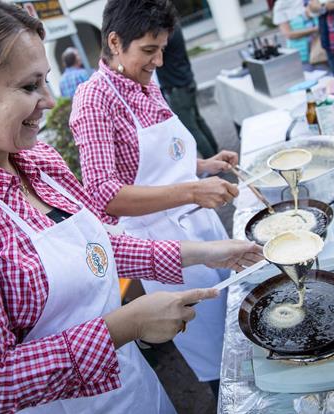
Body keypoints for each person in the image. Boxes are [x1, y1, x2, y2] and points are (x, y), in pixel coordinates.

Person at [0, 1, 263, 413]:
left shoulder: (39, 160)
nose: (47, 99)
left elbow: (98, 247)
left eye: (46, 81)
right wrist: (126, 325)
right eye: (29, 87)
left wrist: (206, 252)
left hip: (130, 388)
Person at [70, 0, 248, 397]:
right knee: (220, 353)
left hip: (200, 223)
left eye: (162, 48)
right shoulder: (94, 99)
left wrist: (203, 166)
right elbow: (104, 192)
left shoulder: (146, 84)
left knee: (239, 326)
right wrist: (191, 190)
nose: (159, 60)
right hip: (162, 245)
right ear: (115, 42)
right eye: (149, 50)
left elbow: (162, 161)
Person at [156, 23, 219, 159]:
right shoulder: (174, 26)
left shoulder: (162, 33)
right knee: (198, 121)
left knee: (191, 128)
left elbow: (155, 54)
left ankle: (212, 161)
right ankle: (216, 154)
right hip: (186, 81)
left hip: (176, 87)